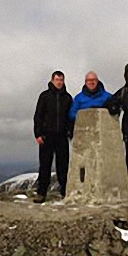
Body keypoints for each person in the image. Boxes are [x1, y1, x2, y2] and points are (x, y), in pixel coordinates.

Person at [33, 70, 73, 203]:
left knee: (63, 166)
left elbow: (70, 118)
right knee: (45, 165)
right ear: (52, 81)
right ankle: (41, 193)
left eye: (61, 80)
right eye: (57, 80)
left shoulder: (67, 98)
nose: (59, 82)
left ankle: (64, 192)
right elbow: (38, 116)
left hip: (62, 136)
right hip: (46, 136)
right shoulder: (44, 96)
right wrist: (38, 134)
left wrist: (70, 132)